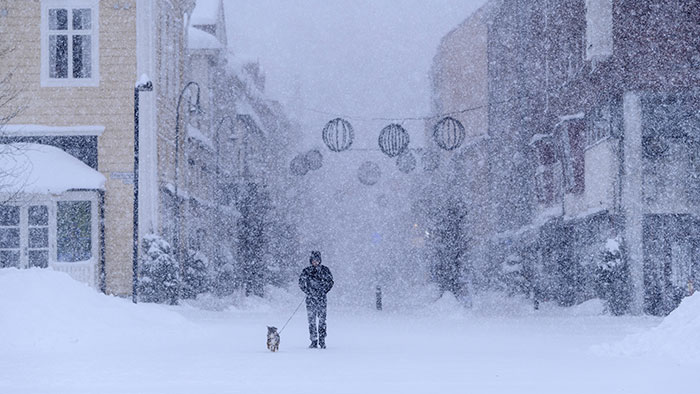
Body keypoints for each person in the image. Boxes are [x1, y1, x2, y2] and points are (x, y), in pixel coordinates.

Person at [299, 251, 334, 349]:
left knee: (322, 321)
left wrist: (323, 291)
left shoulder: (325, 270)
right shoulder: (306, 271)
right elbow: (301, 283)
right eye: (314, 260)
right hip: (310, 300)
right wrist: (308, 291)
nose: (315, 262)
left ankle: (322, 340)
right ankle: (313, 340)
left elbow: (330, 282)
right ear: (311, 261)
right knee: (311, 321)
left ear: (320, 260)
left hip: (321, 299)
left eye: (317, 260)